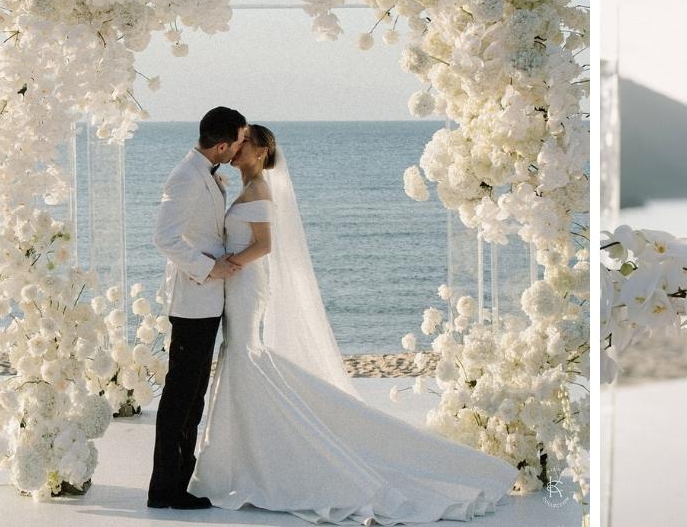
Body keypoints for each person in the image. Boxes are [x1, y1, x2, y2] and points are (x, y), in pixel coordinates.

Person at [188, 125, 517, 521]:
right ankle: (244, 456)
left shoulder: (258, 189)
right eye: (237, 142)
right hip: (240, 284)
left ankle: (255, 460)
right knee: (244, 356)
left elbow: (264, 244)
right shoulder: (247, 186)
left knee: (243, 354)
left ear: (261, 152)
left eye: (245, 143)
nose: (238, 148)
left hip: (245, 283)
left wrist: (229, 263)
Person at [148, 106, 248, 511]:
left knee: (194, 395)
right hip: (192, 299)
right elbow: (164, 237)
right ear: (221, 146)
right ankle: (164, 489)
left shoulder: (205, 173)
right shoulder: (185, 177)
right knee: (181, 395)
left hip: (205, 301)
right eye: (238, 141)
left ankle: (178, 481)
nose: (240, 148)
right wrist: (209, 268)